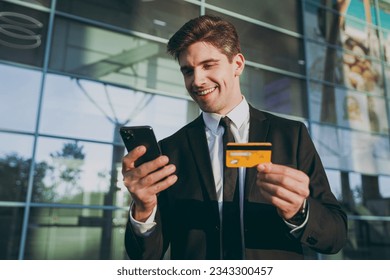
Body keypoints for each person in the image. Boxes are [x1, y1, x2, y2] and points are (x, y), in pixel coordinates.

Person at [122, 15, 348, 260]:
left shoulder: (291, 135)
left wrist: (299, 211)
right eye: (188, 71)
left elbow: (335, 236)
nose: (196, 81)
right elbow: (144, 258)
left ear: (238, 64)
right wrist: (144, 211)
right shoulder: (170, 151)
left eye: (208, 65)